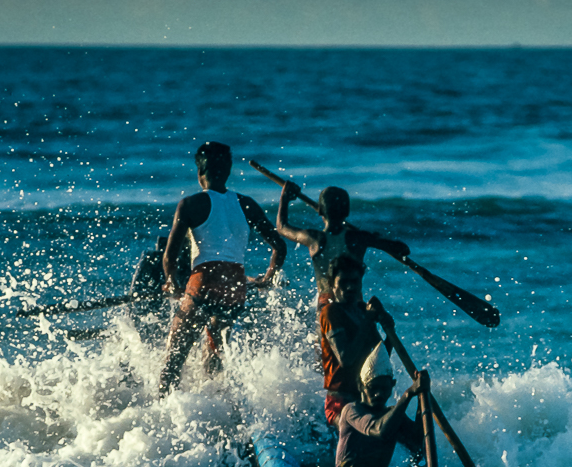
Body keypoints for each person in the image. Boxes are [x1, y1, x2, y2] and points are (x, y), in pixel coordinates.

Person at [159, 142, 287, 396]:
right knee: (215, 354)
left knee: (173, 362)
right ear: (227, 172)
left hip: (203, 284)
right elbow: (279, 246)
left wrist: (171, 282)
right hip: (235, 290)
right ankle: (218, 411)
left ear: (199, 173)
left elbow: (169, 256)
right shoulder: (247, 203)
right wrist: (267, 278)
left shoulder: (190, 204)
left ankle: (164, 412)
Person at [329, 344, 433, 467]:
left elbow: (418, 438)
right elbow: (379, 430)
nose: (378, 394)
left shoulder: (392, 416)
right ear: (361, 386)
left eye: (384, 388)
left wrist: (422, 397)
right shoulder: (351, 410)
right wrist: (408, 394)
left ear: (392, 385)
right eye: (372, 388)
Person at [274, 181, 411, 309]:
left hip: (326, 306)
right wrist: (376, 238)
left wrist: (284, 198)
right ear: (347, 212)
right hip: (354, 304)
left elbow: (282, 227)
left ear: (320, 211)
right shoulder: (358, 237)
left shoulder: (314, 238)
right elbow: (403, 249)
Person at [317, 253, 389, 426]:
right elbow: (346, 359)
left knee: (406, 430)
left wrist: (387, 326)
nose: (349, 288)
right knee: (373, 430)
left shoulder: (363, 311)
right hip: (339, 403)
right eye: (343, 283)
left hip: (366, 398)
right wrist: (368, 321)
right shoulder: (331, 312)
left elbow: (380, 357)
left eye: (354, 282)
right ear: (331, 286)